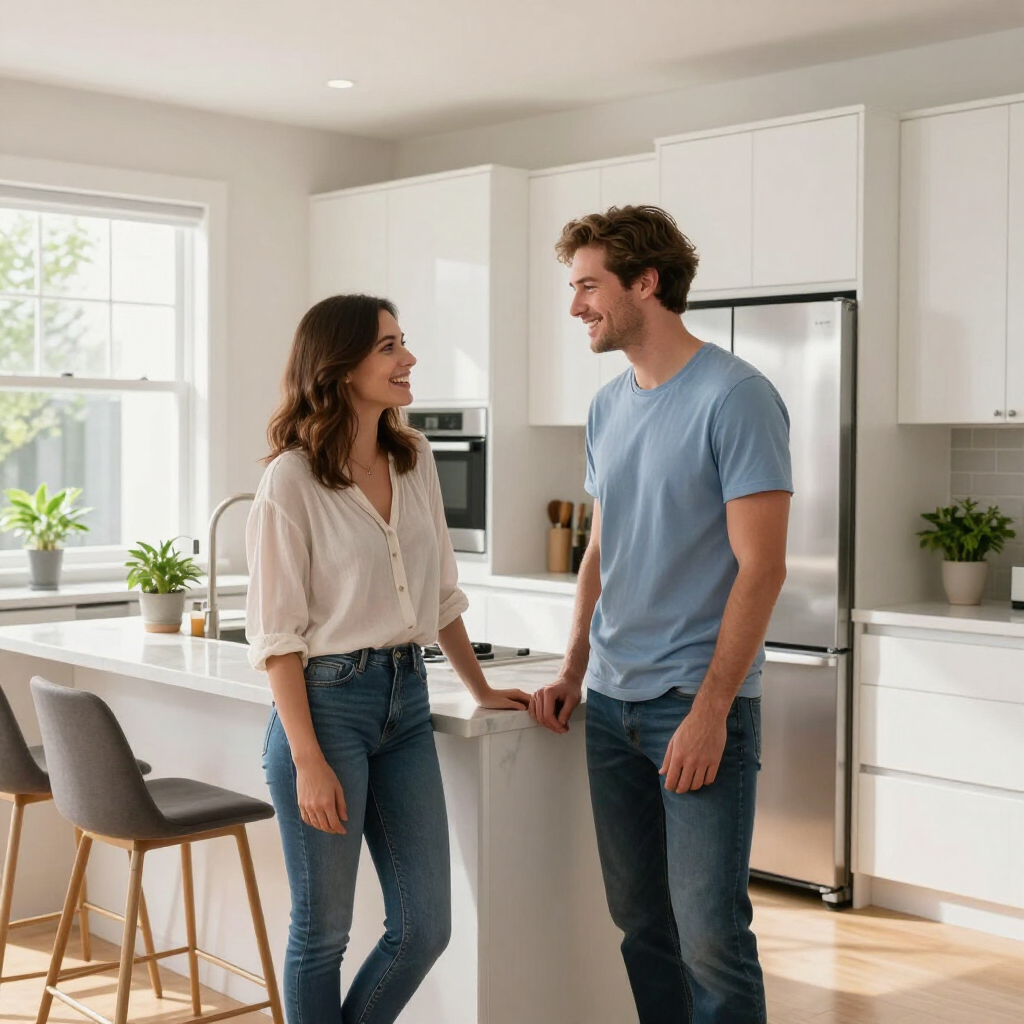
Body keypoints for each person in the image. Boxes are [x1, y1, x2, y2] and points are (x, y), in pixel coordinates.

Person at [529, 206, 792, 1024]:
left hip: (694, 703)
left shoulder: (736, 396)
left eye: (588, 287)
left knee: (711, 934)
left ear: (646, 282)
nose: (576, 307)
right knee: (642, 926)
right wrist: (575, 667)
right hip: (611, 706)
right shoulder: (609, 407)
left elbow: (764, 566)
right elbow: (600, 553)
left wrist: (713, 712)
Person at [246, 294, 530, 1024]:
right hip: (324, 710)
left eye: (403, 343)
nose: (408, 360)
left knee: (424, 926)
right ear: (340, 368)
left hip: (406, 704)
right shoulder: (292, 480)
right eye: (389, 347)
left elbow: (440, 597)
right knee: (323, 933)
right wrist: (307, 759)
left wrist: (480, 687)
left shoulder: (414, 459)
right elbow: (277, 638)